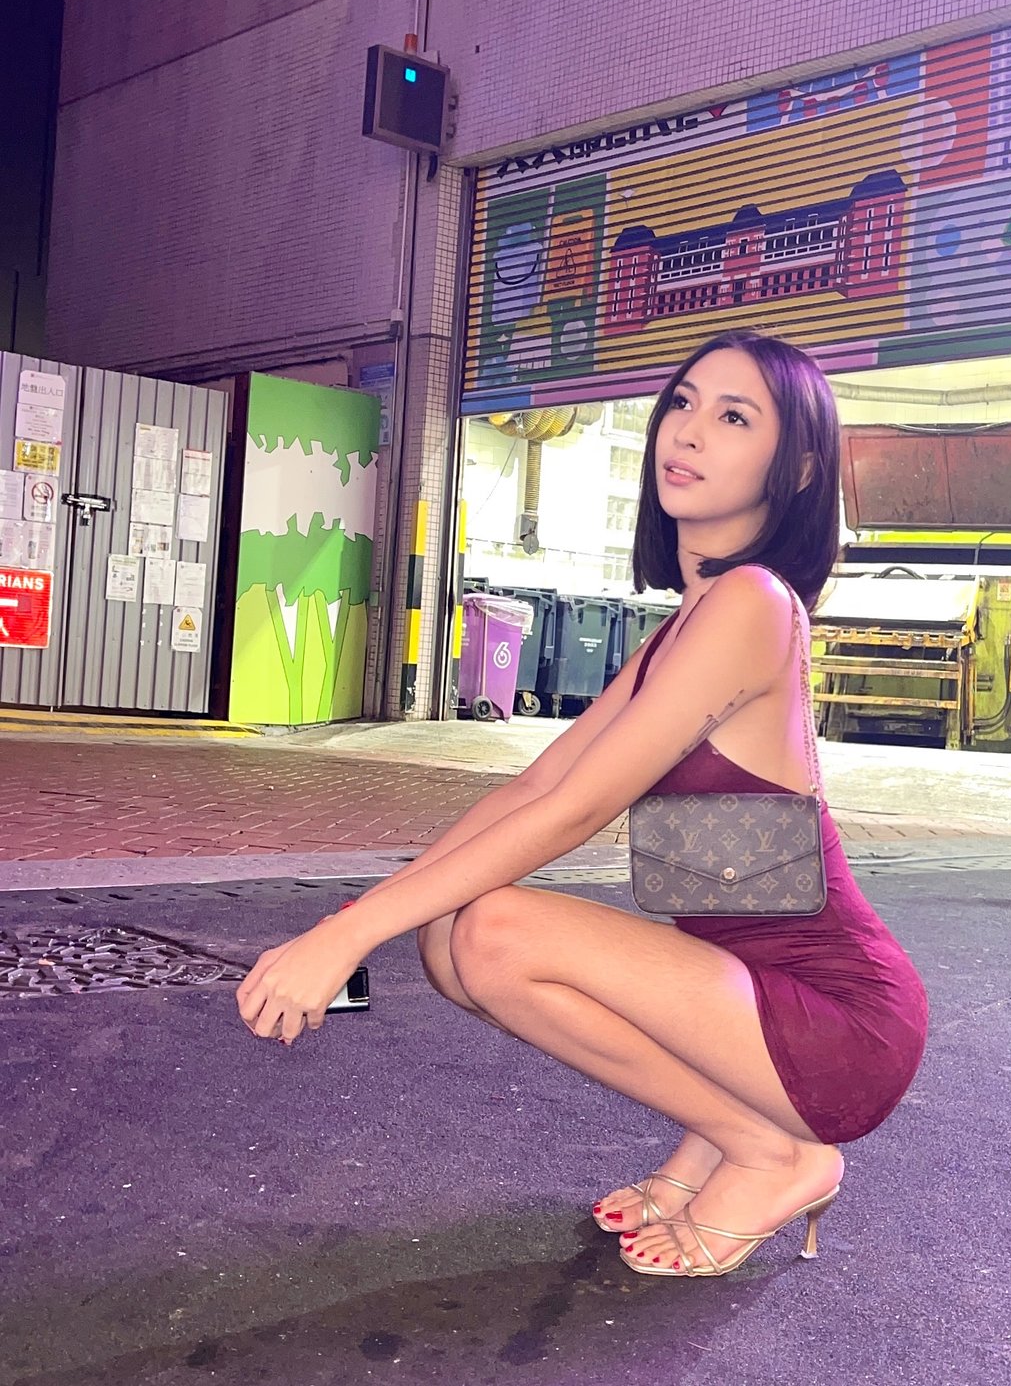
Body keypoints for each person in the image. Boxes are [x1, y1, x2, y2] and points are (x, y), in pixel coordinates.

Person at [237, 331, 928, 1278]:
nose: (688, 432)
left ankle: (772, 1153)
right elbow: (536, 786)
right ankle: (729, 1133)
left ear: (799, 468)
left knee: (495, 932)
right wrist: (358, 918)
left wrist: (348, 938)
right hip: (751, 994)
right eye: (681, 403)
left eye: (734, 417)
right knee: (447, 934)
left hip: (837, 1022)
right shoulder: (686, 625)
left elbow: (575, 813)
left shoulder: (754, 605)